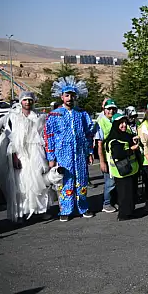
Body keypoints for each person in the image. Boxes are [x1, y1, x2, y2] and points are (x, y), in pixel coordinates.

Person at [45, 76, 96, 221]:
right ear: (61, 96)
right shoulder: (54, 115)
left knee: (81, 180)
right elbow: (49, 137)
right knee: (65, 181)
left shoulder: (82, 114)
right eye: (67, 95)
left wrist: (89, 152)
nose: (69, 98)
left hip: (79, 154)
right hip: (63, 155)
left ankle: (83, 207)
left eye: (72, 95)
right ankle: (66, 210)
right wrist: (51, 158)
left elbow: (88, 134)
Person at [0, 91, 50, 222]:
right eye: (25, 100)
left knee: (38, 182)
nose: (27, 102)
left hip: (35, 152)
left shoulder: (38, 116)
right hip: (20, 154)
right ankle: (21, 213)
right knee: (21, 184)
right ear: (20, 102)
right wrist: (15, 157)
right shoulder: (13, 117)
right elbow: (11, 137)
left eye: (30, 100)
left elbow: (42, 135)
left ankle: (40, 210)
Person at [104, 113, 140, 221]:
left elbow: (130, 140)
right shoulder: (114, 139)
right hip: (122, 172)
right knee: (124, 195)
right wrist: (132, 149)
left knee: (131, 193)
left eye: (125, 122)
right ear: (116, 124)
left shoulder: (126, 135)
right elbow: (118, 155)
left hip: (131, 170)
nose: (124, 125)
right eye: (121, 123)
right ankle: (123, 215)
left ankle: (130, 212)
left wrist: (134, 140)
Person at [95, 98, 118, 214]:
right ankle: (106, 203)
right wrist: (102, 161)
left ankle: (113, 200)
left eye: (113, 109)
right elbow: (99, 144)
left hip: (117, 157)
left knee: (116, 181)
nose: (111, 111)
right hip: (108, 157)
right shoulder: (101, 123)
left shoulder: (115, 120)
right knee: (110, 182)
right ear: (104, 110)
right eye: (109, 109)